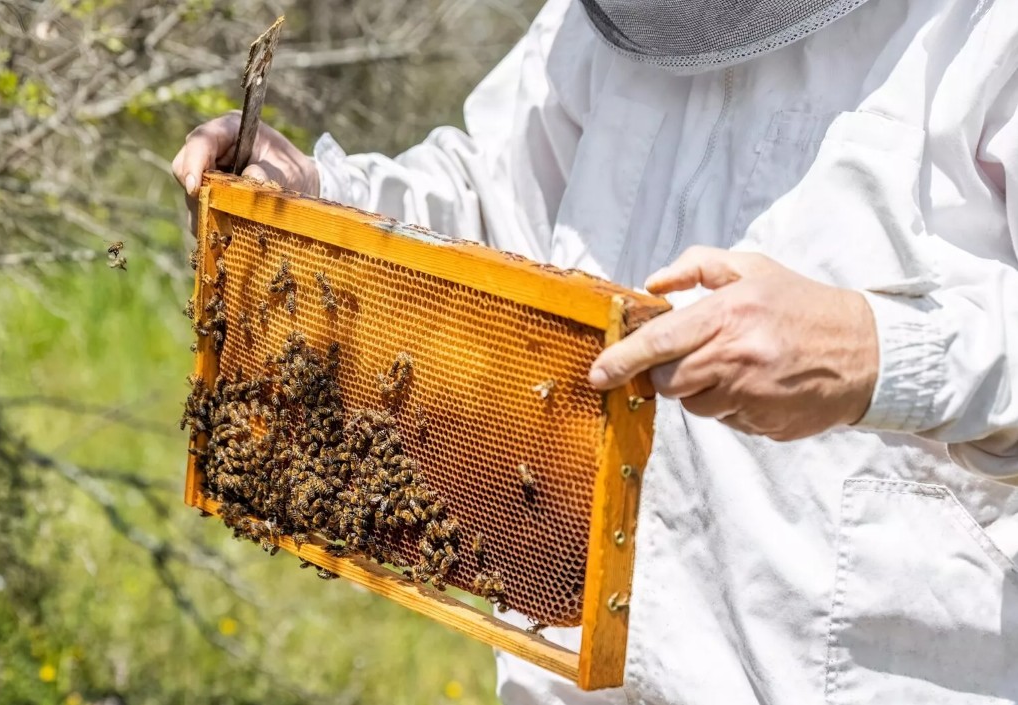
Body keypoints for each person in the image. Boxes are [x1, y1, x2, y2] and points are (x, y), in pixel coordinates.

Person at [172, 0, 1018, 702]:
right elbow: (499, 208)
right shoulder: (612, 22)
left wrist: (886, 356)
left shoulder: (983, 32)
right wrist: (320, 206)